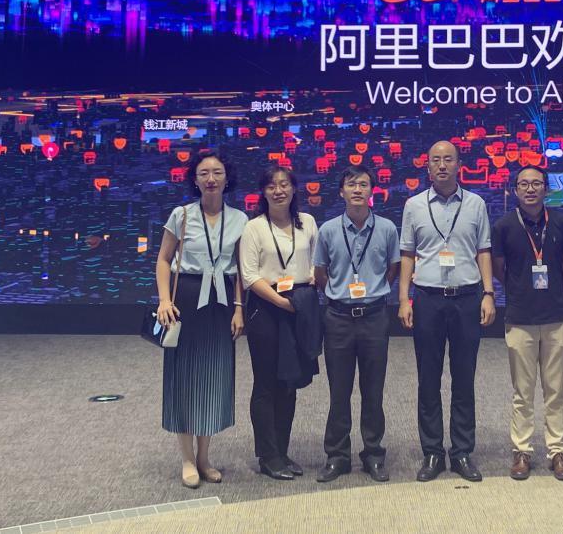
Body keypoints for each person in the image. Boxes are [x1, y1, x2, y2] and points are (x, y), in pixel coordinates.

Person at [398, 140, 496, 483]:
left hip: (468, 298)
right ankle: (432, 453)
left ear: (458, 165)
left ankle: (462, 452)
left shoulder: (476, 203)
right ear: (427, 167)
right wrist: (403, 299)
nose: (442, 165)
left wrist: (488, 293)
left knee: (464, 377)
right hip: (427, 299)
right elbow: (407, 254)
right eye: (435, 160)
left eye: (448, 159)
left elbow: (484, 250)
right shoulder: (413, 205)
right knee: (428, 378)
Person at [155, 150, 247, 488]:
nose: (211, 178)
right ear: (194, 180)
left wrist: (239, 308)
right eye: (204, 173)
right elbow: (163, 260)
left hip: (221, 302)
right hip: (186, 300)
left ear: (227, 178)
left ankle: (205, 458)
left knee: (213, 377)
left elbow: (241, 269)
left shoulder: (240, 219)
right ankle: (187, 458)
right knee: (184, 378)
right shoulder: (181, 215)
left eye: (217, 172)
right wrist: (164, 300)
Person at [312, 165, 400, 483]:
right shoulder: (328, 230)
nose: (358, 189)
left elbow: (393, 269)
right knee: (339, 390)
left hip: (375, 317)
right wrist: (340, 295)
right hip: (338, 318)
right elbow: (320, 273)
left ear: (371, 190)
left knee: (373, 390)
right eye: (351, 185)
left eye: (363, 184)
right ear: (342, 192)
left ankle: (373, 454)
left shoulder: (387, 229)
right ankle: (337, 456)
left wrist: (372, 291)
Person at [491, 165, 563, 481]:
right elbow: (499, 269)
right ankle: (522, 450)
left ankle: (558, 451)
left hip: (556, 315)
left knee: (555, 389)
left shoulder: (562, 223)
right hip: (519, 317)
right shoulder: (503, 226)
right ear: (515, 190)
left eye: (536, 183)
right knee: (522, 391)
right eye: (524, 184)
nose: (530, 189)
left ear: (546, 189)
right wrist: (520, 289)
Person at [238, 164, 320, 480]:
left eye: (284, 184)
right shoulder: (254, 227)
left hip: (299, 304)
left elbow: (316, 262)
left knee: (289, 380)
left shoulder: (307, 222)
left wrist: (309, 283)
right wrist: (281, 302)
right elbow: (249, 275)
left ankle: (283, 452)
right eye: (271, 185)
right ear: (263, 191)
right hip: (266, 308)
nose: (278, 190)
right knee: (266, 383)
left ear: (294, 188)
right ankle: (268, 455)